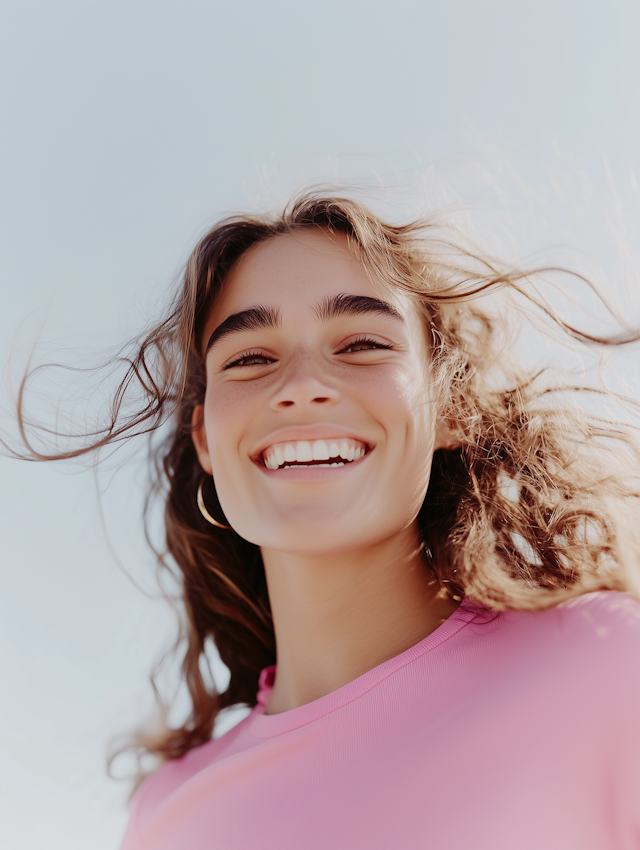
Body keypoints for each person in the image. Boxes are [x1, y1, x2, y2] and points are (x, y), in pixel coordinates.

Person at [13, 192, 640, 848]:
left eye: (363, 344)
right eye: (250, 358)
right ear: (205, 439)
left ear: (450, 408)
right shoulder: (167, 818)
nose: (302, 384)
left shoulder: (605, 667)